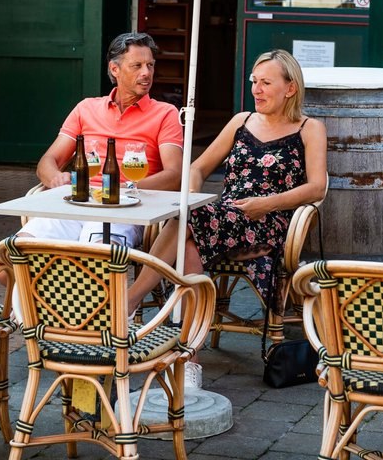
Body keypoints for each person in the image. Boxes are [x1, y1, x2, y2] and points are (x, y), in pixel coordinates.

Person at [126, 49, 327, 387]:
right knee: (190, 237)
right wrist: (190, 194)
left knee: (189, 224)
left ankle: (129, 303)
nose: (256, 90)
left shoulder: (309, 129)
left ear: (290, 88)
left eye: (266, 83)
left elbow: (317, 187)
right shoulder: (241, 121)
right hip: (224, 219)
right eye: (254, 82)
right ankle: (190, 358)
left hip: (268, 224)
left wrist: (268, 204)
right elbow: (198, 167)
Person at [19, 31, 183, 248]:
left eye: (150, 65)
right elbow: (48, 161)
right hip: (78, 203)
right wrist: (56, 179)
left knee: (98, 261)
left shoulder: (165, 113)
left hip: (125, 209)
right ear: (115, 69)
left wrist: (127, 187)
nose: (146, 73)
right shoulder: (86, 108)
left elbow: (175, 175)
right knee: (15, 256)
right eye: (137, 66)